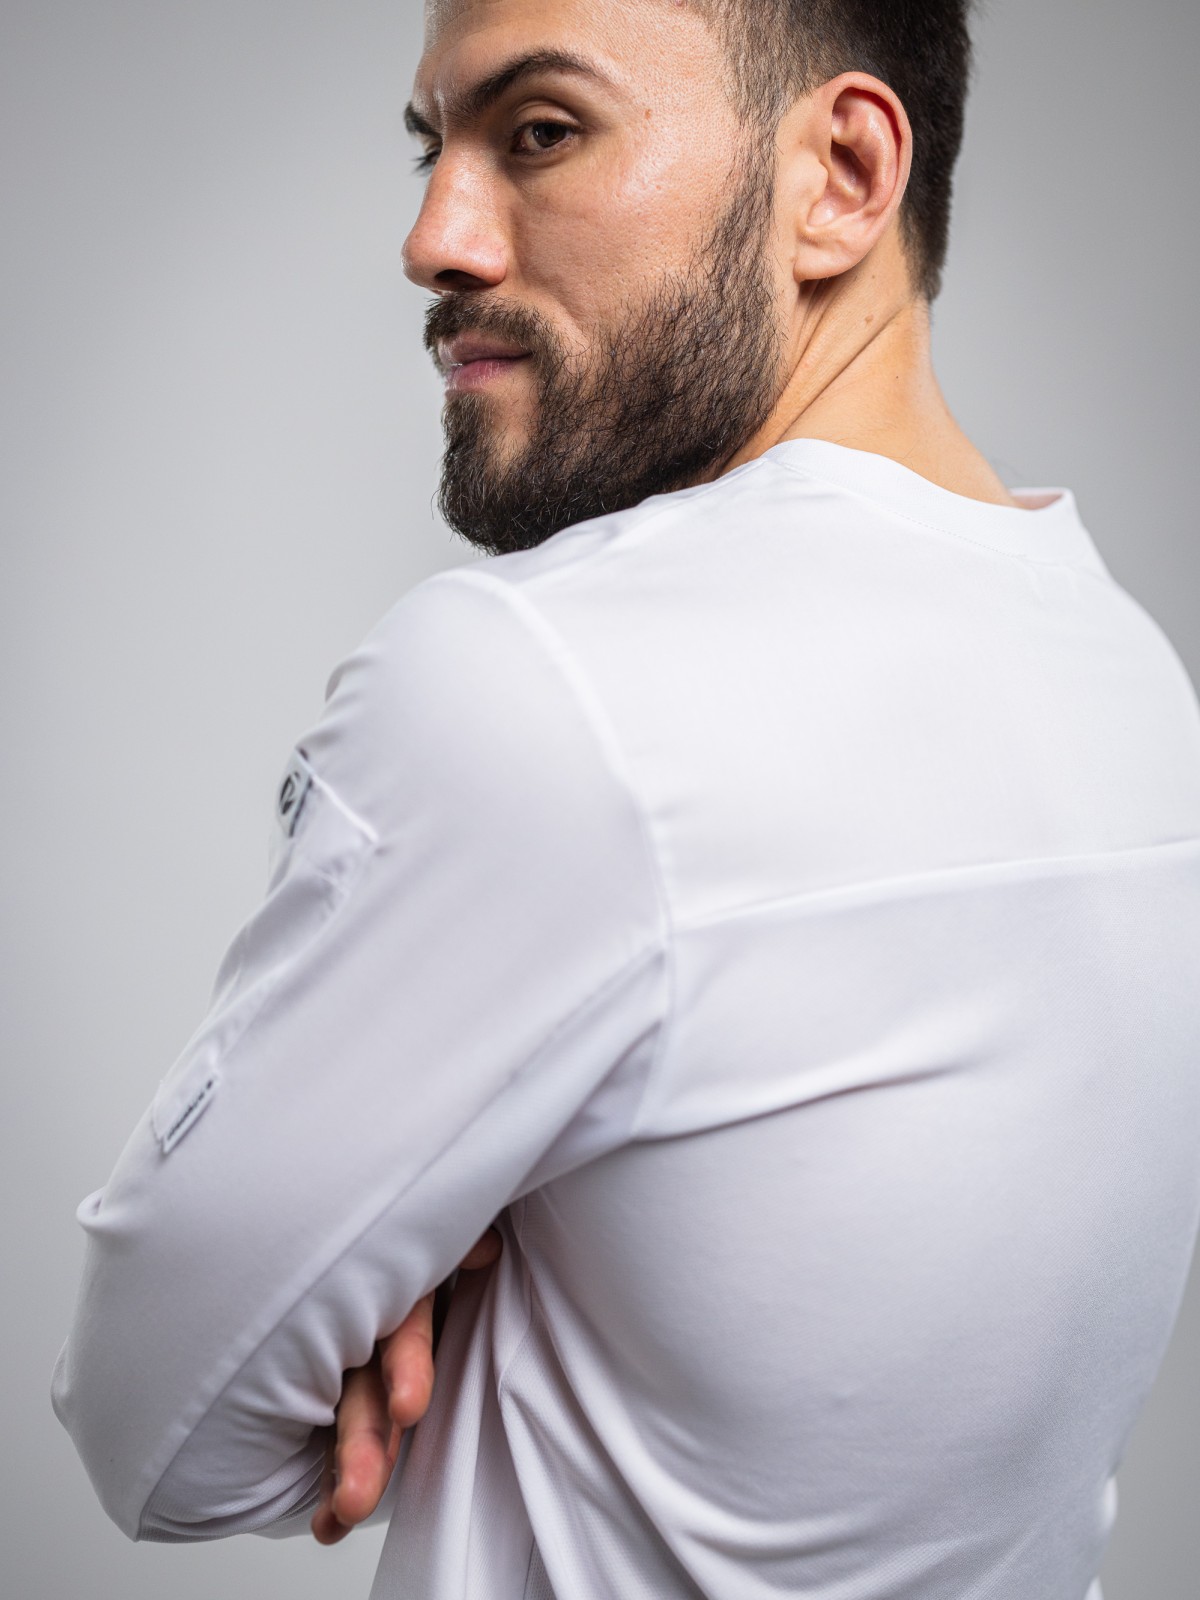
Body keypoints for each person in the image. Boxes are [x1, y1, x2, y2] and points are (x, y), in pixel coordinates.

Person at [52, 1, 1200, 1597]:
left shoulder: (538, 685)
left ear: (843, 175)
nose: (433, 239)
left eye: (540, 132)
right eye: (430, 147)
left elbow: (156, 1438)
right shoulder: (1134, 679)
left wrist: (448, 1259)